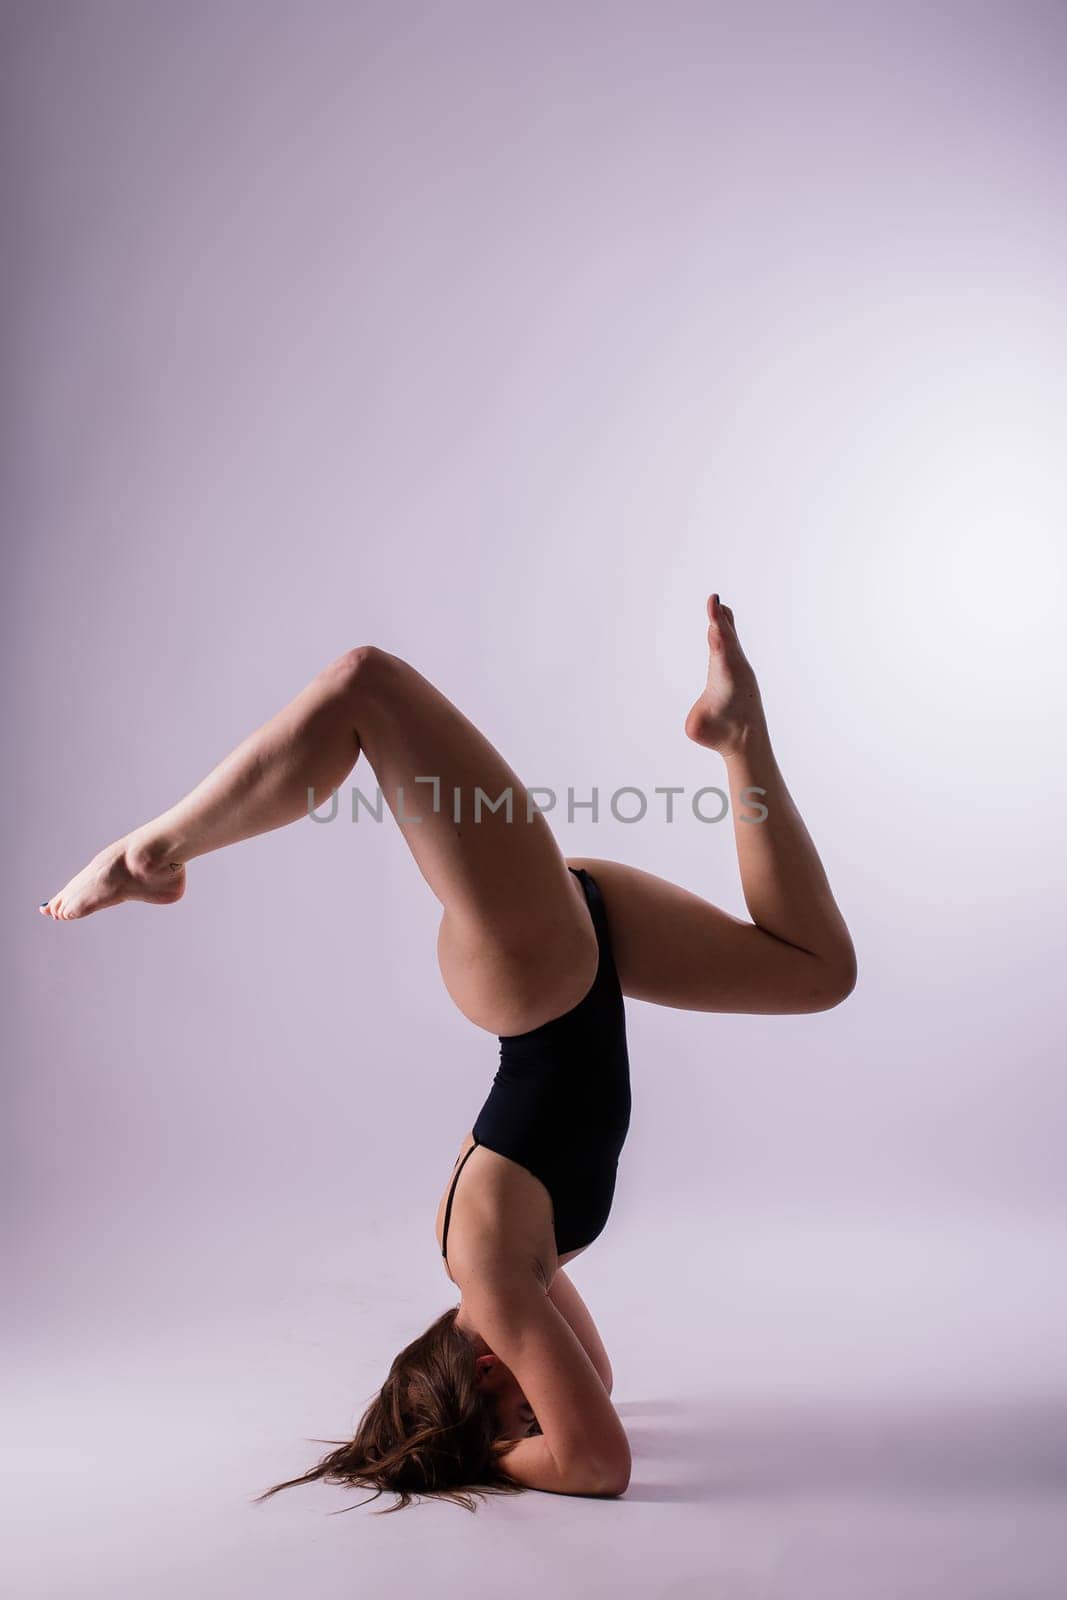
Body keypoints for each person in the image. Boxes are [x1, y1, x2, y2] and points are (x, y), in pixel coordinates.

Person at [39, 594, 857, 1512]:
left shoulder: (493, 1281)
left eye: (514, 1418)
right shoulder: (518, 1286)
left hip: (532, 974)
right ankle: (735, 732)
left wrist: (480, 1460)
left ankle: (151, 854)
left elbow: (596, 1464)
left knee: (367, 685)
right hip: (581, 955)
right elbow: (599, 1395)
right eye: (524, 1430)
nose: (536, 1424)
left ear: (477, 1363)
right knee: (815, 973)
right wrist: (492, 1436)